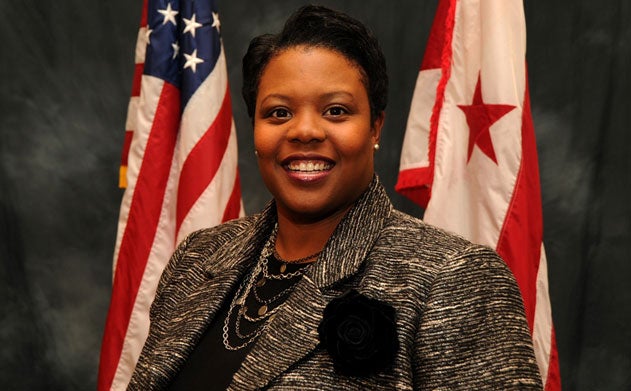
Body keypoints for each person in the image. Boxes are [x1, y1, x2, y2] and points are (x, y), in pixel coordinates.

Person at [129, 5, 543, 390]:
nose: (304, 131)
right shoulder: (198, 258)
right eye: (278, 113)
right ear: (254, 129)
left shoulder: (456, 278)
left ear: (376, 127)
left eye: (336, 111)